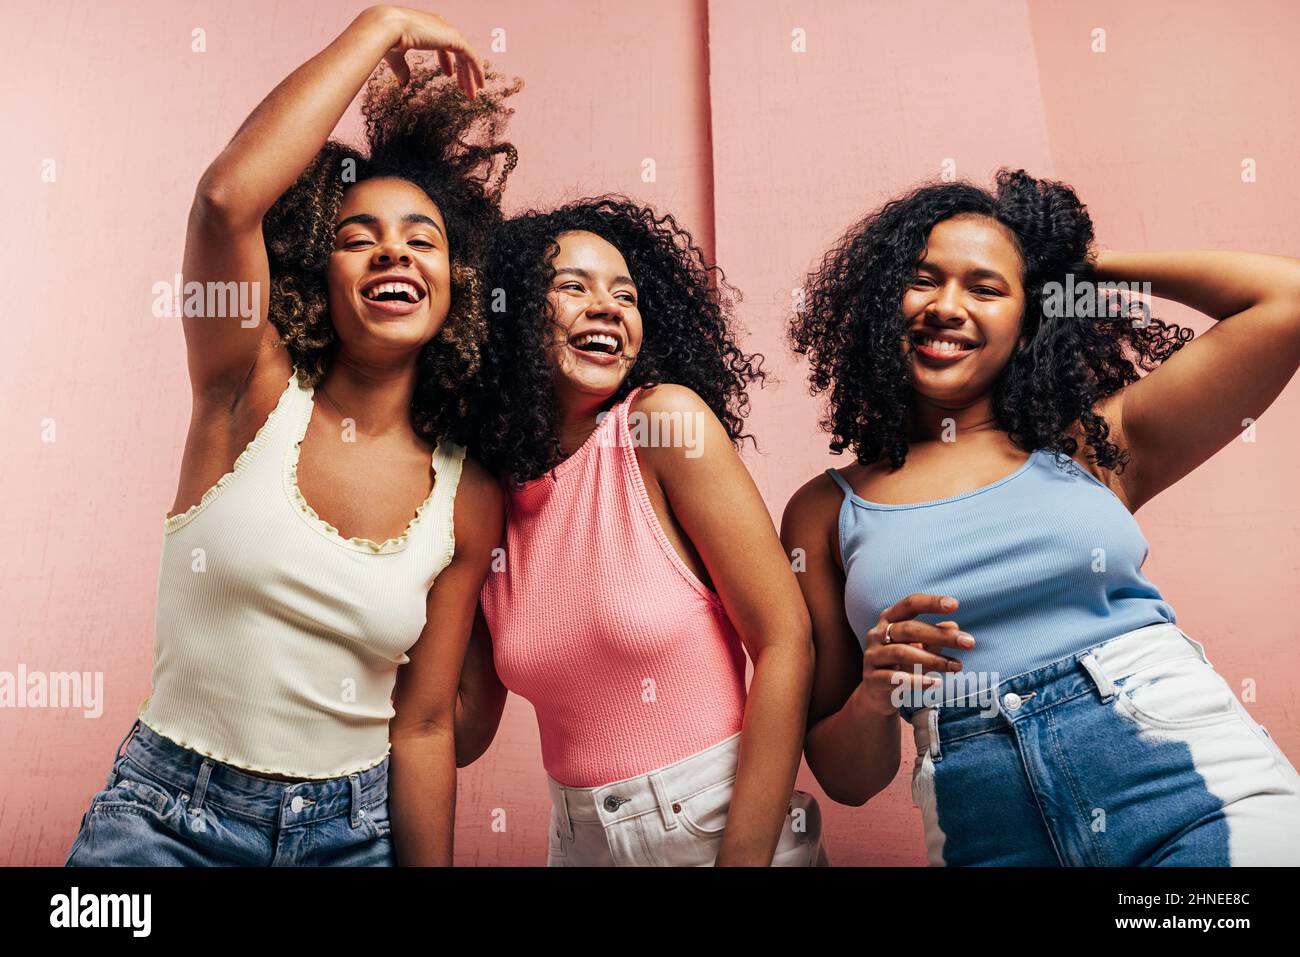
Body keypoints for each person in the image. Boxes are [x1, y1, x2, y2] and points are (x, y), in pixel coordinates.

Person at [65, 5, 517, 866]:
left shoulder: (468, 492)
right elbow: (226, 199)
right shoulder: (247, 386)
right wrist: (377, 27)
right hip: (164, 821)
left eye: (421, 240)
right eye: (359, 239)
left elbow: (423, 727)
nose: (393, 254)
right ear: (322, 271)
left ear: (456, 284)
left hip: (352, 838)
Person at [783, 168, 1300, 865]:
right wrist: (875, 697)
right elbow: (849, 778)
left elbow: (1285, 301)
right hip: (987, 826)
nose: (947, 305)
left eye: (987, 287)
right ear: (882, 299)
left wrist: (1076, 267)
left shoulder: (1094, 443)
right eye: (923, 278)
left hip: (1180, 782)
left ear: (1030, 316)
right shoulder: (823, 511)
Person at [458, 198, 829, 866]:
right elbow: (460, 728)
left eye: (625, 293)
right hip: (576, 838)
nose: (607, 306)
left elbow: (785, 640)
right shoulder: (482, 496)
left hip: (718, 821)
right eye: (572, 286)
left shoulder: (662, 426)